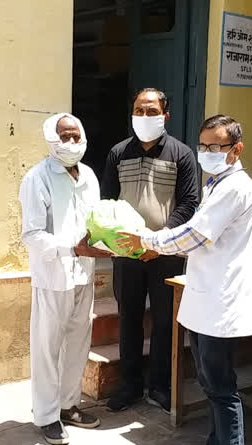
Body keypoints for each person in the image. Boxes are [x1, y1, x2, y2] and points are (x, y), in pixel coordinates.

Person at [114, 115, 252, 445]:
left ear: (236, 149)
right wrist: (155, 242)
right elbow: (197, 232)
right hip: (205, 297)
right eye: (204, 146)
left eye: (217, 147)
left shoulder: (236, 188)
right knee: (212, 385)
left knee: (222, 388)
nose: (208, 154)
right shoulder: (218, 185)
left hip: (222, 302)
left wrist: (148, 240)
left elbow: (196, 235)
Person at [101, 88, 199, 413]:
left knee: (164, 319)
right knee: (128, 317)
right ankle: (129, 384)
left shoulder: (181, 154)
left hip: (165, 254)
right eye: (139, 110)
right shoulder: (118, 153)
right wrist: (121, 242)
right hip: (127, 253)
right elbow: (108, 203)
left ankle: (160, 384)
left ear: (165, 115)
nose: (145, 116)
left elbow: (189, 203)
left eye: (151, 110)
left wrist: (160, 242)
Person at [19, 113, 113, 445]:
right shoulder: (37, 178)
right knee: (47, 347)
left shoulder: (88, 175)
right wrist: (71, 248)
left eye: (76, 136)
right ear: (51, 139)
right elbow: (31, 234)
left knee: (78, 343)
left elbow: (96, 221)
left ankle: (69, 405)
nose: (72, 142)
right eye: (65, 136)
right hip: (53, 275)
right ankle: (46, 416)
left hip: (83, 274)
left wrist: (109, 242)